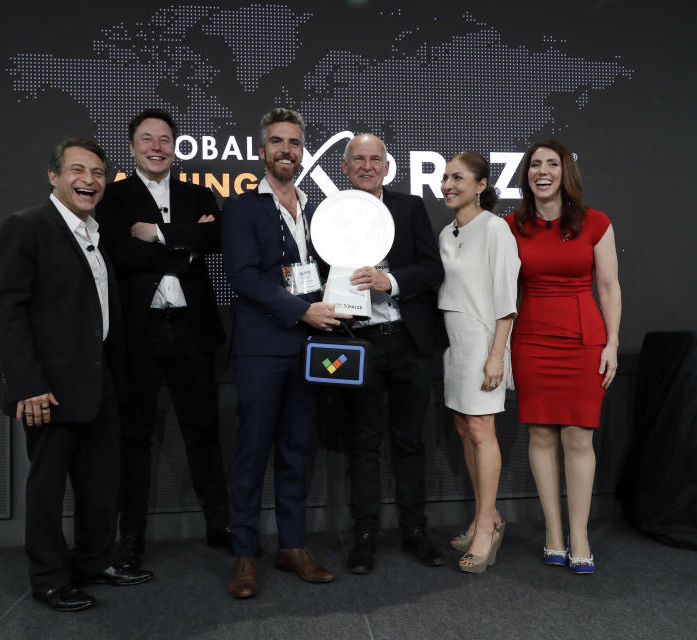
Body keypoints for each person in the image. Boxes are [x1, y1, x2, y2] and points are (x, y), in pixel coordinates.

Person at [0, 138, 153, 612]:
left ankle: (93, 561)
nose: (89, 180)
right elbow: (6, 310)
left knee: (100, 482)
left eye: (98, 172)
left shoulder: (93, 232)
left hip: (98, 384)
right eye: (78, 170)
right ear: (54, 176)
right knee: (47, 487)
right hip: (48, 390)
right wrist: (29, 384)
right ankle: (49, 577)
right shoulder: (26, 227)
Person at [221, 108, 350, 598]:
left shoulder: (318, 211)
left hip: (310, 349)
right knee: (252, 452)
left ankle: (292, 546)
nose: (286, 151)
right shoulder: (241, 208)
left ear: (303, 152)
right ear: (261, 151)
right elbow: (245, 277)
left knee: (298, 450)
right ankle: (245, 555)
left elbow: (325, 273)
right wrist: (302, 312)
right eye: (277, 142)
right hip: (261, 348)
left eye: (294, 143)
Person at [96, 109, 230, 568]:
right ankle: (130, 535)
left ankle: (220, 524)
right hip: (140, 334)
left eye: (165, 139)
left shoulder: (198, 193)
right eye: (147, 139)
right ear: (132, 147)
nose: (157, 146)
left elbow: (217, 241)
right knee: (134, 437)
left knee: (204, 432)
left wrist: (160, 235)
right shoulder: (112, 196)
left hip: (193, 331)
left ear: (176, 146)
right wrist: (184, 249)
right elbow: (121, 252)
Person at [504, 140, 621, 574]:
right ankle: (554, 533)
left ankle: (581, 535)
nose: (543, 171)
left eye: (552, 164)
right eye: (535, 164)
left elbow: (608, 286)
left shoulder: (596, 223)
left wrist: (611, 343)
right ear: (527, 175)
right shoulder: (512, 225)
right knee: (541, 437)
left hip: (583, 341)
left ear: (565, 173)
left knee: (578, 438)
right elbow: (503, 290)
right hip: (532, 340)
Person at [340, 134, 447, 575]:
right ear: (344, 168)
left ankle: (415, 530)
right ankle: (364, 536)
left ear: (388, 168)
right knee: (363, 444)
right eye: (358, 160)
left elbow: (433, 269)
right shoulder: (330, 214)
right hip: (357, 345)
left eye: (375, 160)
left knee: (409, 442)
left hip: (408, 342)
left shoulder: (410, 208)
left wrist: (392, 282)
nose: (367, 166)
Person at [437, 152, 520, 573]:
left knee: (481, 429)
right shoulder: (446, 232)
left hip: (485, 342)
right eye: (445, 176)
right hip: (454, 344)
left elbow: (507, 301)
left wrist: (495, 356)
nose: (448, 184)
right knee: (463, 427)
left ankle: (487, 528)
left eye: (458, 177)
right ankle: (487, 514)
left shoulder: (496, 230)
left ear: (481, 185)